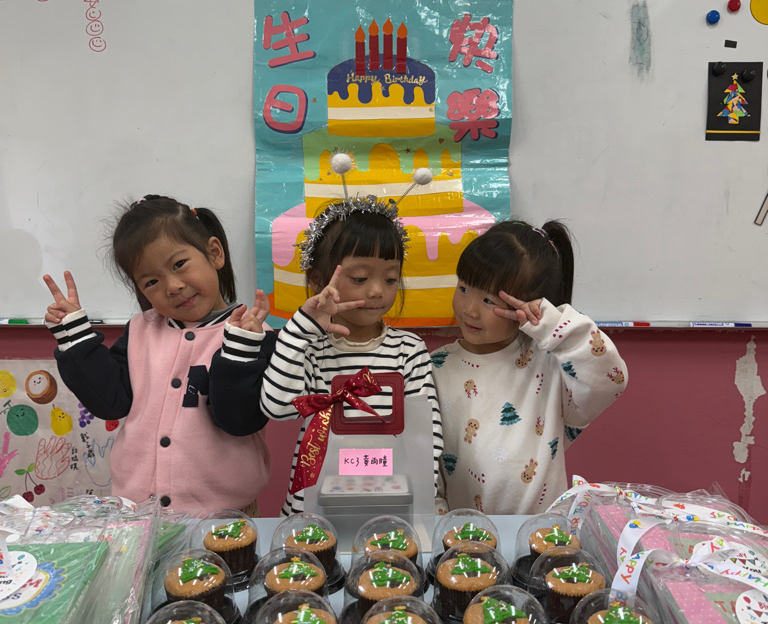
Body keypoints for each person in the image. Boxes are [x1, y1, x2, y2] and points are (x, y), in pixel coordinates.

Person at [43, 194, 276, 513]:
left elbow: (239, 421)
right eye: (151, 281)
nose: (172, 286)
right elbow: (110, 402)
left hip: (224, 515)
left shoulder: (252, 334)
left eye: (179, 265)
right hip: (137, 512)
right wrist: (75, 335)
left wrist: (239, 349)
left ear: (214, 253)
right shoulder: (140, 330)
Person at [247, 194, 442, 516]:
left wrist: (418, 498)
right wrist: (300, 329)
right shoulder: (308, 347)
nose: (377, 290)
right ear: (318, 281)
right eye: (360, 278)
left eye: (390, 278)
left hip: (392, 504)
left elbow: (427, 434)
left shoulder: (409, 349)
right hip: (314, 509)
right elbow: (278, 408)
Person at [431, 220, 627, 515]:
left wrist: (551, 324)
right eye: (463, 288)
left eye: (488, 300)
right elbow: (426, 466)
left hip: (540, 534)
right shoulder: (434, 367)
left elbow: (611, 381)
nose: (470, 309)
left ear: (527, 306)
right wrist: (439, 523)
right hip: (463, 536)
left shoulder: (550, 364)